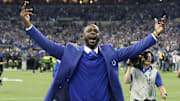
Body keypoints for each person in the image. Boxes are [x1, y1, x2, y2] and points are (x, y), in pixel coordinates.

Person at [20, 3, 166, 101]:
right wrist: (28, 25)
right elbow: (47, 45)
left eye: (95, 31)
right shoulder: (70, 53)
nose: (92, 33)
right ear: (83, 36)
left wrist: (155, 34)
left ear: (99, 36)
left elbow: (135, 49)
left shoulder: (109, 54)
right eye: (89, 30)